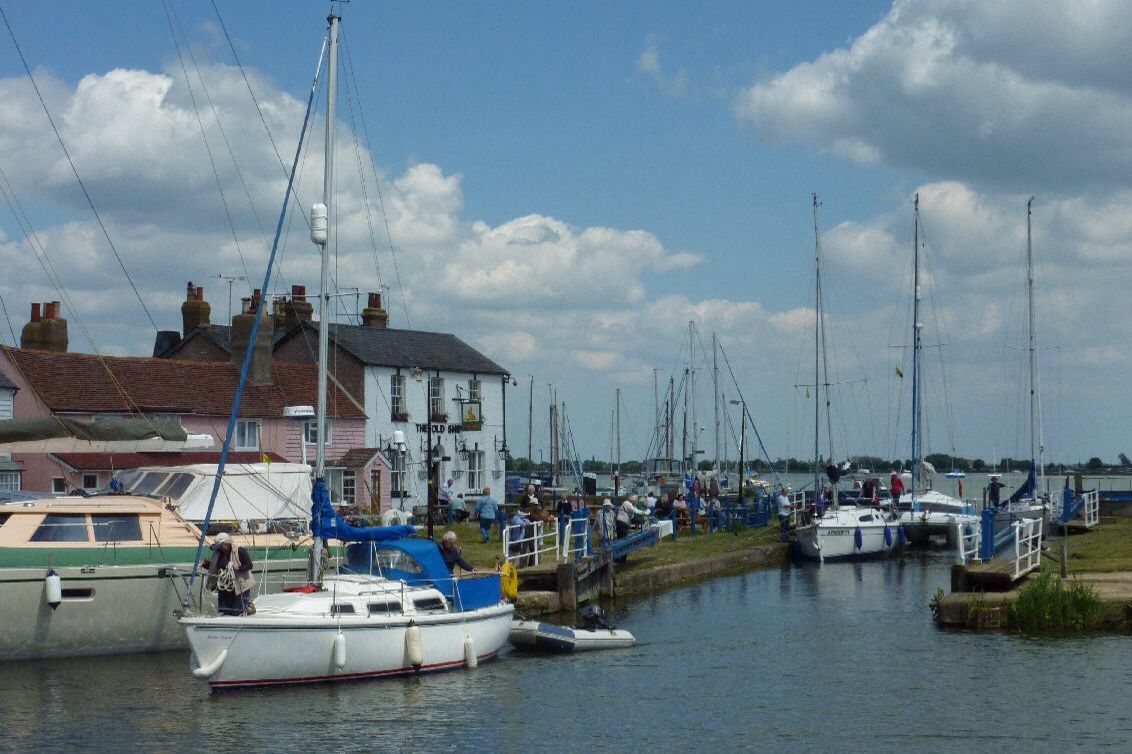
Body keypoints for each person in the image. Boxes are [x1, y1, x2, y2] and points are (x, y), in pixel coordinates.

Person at [202, 532, 255, 616]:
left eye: (222, 546)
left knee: (237, 613)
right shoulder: (218, 554)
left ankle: (249, 608)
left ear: (227, 544)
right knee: (224, 612)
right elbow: (217, 567)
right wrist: (205, 564)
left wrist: (236, 569)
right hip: (224, 587)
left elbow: (249, 565)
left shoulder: (240, 551)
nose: (221, 549)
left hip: (240, 586)